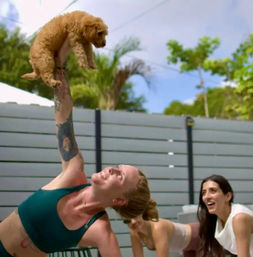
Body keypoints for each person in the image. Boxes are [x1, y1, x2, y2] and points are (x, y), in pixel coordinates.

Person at [0, 39, 153, 257]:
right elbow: (63, 117)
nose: (111, 169)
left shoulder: (101, 231)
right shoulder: (73, 172)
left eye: (119, 175)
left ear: (119, 200)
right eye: (117, 166)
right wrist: (60, 64)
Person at [197, 174, 253, 257]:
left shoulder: (239, 218)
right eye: (204, 193)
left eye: (213, 190)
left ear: (228, 196)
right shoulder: (217, 220)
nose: (206, 197)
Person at [124, 200, 202, 257]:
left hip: (200, 235)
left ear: (142, 213)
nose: (133, 222)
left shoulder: (158, 228)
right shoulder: (134, 233)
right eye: (127, 220)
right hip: (185, 247)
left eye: (135, 216)